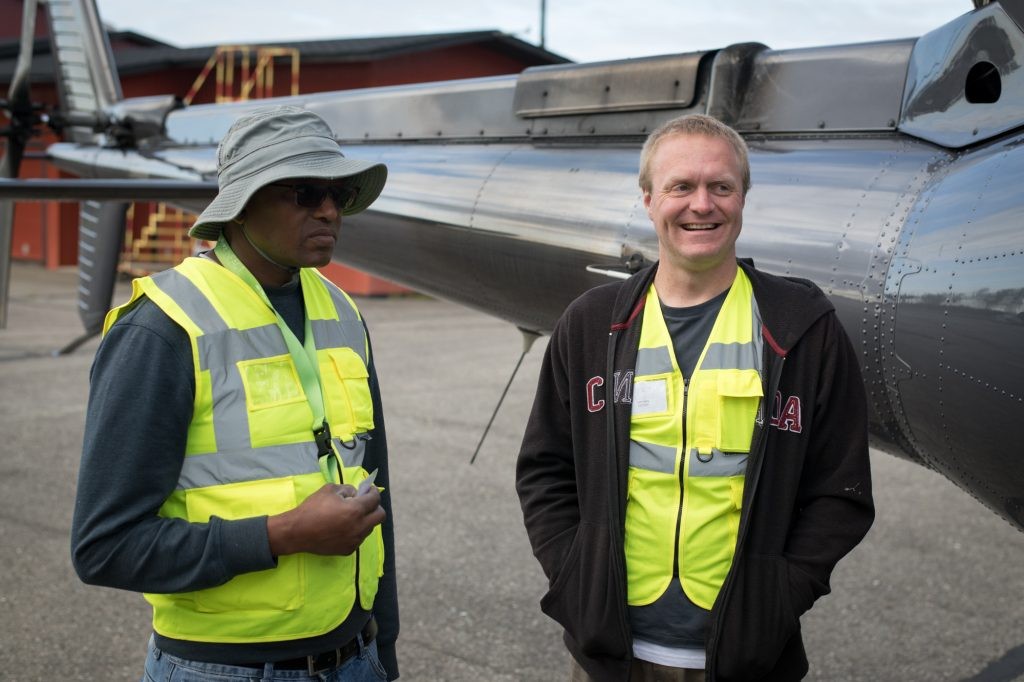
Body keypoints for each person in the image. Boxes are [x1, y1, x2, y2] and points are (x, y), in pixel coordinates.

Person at [515, 113, 874, 682]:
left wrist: (779, 594)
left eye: (721, 187)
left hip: (744, 658)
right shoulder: (591, 324)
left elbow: (841, 490)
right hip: (613, 655)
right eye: (681, 186)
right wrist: (574, 574)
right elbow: (544, 470)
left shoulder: (801, 327)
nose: (701, 204)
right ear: (648, 198)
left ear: (743, 198)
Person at [71, 105, 399, 681]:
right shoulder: (162, 328)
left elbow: (376, 495)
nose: (329, 209)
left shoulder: (343, 312)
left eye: (339, 193)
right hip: (222, 670)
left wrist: (384, 646)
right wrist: (281, 535)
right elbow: (105, 546)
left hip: (356, 657)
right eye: (304, 192)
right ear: (242, 206)